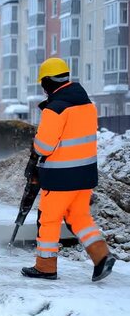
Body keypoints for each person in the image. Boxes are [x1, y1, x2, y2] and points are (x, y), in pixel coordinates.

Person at [21, 58, 115, 282]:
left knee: (49, 219)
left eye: (43, 83)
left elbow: (44, 146)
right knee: (79, 216)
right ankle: (101, 256)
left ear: (48, 82)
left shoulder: (55, 109)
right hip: (85, 174)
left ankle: (45, 266)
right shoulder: (87, 105)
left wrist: (35, 143)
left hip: (60, 176)